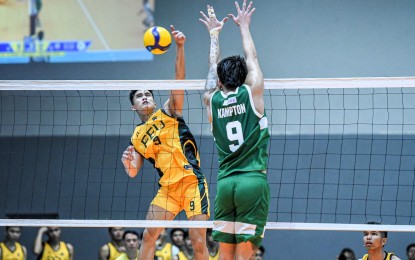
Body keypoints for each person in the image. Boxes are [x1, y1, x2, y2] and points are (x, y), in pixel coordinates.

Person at [121, 25, 210, 260]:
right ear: (134, 106)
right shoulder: (136, 136)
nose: (145, 96)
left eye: (148, 93)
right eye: (139, 95)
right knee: (149, 235)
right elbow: (133, 173)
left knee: (199, 242)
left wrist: (179, 48)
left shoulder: (169, 111)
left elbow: (179, 79)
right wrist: (128, 164)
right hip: (168, 190)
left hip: (192, 183)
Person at [199, 1, 270, 259]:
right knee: (245, 256)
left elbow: (210, 72)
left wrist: (214, 34)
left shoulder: (212, 100)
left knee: (224, 256)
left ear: (219, 80)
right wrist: (244, 27)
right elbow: (252, 58)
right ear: (243, 77)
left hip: (226, 184)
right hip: (252, 181)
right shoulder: (253, 92)